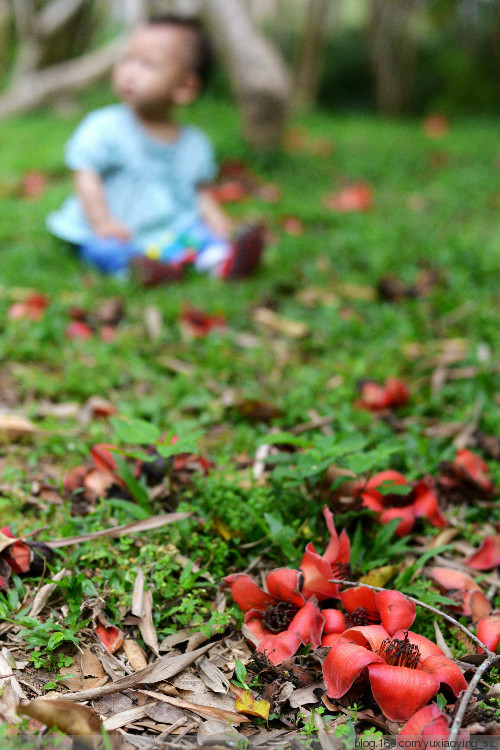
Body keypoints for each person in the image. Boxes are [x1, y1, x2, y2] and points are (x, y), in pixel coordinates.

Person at [46, 15, 264, 285]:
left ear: (185, 87)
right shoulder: (104, 126)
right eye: (126, 59)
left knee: (202, 235)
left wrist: (217, 219)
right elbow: (86, 175)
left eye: (147, 64)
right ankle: (141, 269)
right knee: (104, 249)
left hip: (168, 228)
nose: (130, 71)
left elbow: (199, 192)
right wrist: (102, 221)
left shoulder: (195, 143)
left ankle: (223, 262)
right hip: (114, 229)